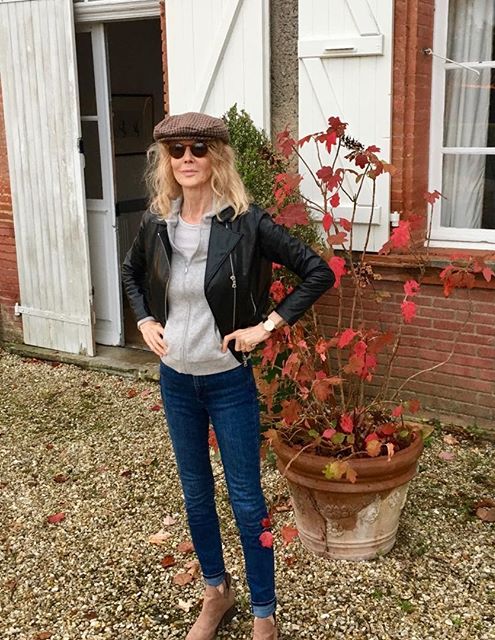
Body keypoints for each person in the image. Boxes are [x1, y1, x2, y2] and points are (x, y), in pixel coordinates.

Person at [121, 112, 335, 640]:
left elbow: (318, 271)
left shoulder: (246, 222)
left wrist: (266, 326)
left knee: (246, 500)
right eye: (176, 150)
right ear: (166, 160)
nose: (186, 158)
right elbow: (130, 272)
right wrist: (144, 319)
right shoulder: (158, 222)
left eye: (197, 148)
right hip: (176, 381)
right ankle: (216, 592)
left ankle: (264, 613)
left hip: (227, 381)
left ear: (216, 155)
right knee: (196, 495)